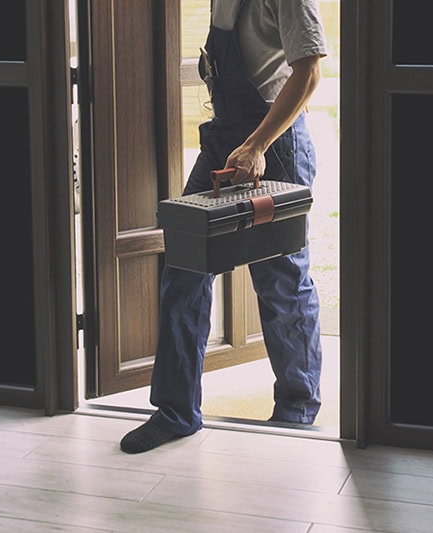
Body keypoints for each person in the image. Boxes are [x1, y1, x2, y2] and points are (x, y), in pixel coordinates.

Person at [120, 0, 326, 454]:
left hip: (275, 145)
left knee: (281, 281)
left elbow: (309, 72)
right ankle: (176, 412)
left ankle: (296, 412)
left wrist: (257, 144)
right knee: (184, 268)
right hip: (222, 142)